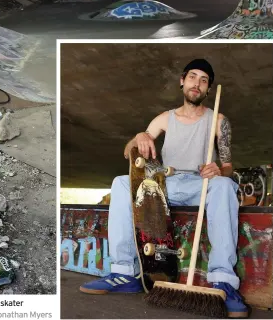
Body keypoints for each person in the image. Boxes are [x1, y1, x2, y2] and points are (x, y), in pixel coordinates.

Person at [79, 59, 248, 319]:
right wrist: (140, 136)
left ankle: (223, 280)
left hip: (199, 184)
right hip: (164, 183)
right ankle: (124, 274)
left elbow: (227, 167)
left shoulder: (219, 121)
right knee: (121, 182)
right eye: (193, 77)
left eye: (204, 80)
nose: (197, 83)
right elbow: (129, 152)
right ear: (182, 81)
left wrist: (216, 170)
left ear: (208, 89)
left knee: (225, 184)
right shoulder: (164, 118)